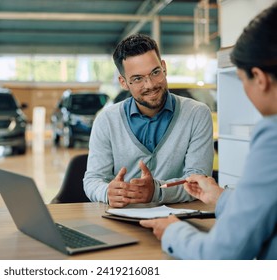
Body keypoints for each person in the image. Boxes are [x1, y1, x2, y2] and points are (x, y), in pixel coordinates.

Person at [140, 3, 277, 259]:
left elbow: (222, 255)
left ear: (259, 77)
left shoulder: (273, 135)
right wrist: (221, 198)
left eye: (241, 80)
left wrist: (173, 232)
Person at [83, 33, 214, 207]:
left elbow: (199, 182)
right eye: (137, 79)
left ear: (164, 67)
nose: (150, 85)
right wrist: (107, 192)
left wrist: (156, 191)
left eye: (155, 72)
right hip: (122, 220)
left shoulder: (197, 114)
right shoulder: (106, 121)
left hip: (178, 220)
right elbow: (93, 180)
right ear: (123, 82)